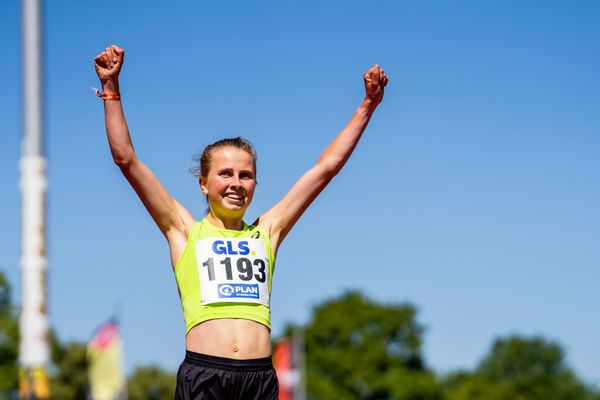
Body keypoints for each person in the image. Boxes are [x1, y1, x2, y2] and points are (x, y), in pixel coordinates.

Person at [94, 44, 388, 399]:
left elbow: (324, 170)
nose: (236, 183)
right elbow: (127, 161)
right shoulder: (184, 230)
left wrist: (367, 106)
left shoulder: (267, 231)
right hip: (204, 377)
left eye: (246, 175)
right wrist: (111, 90)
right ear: (203, 182)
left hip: (259, 379)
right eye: (225, 174)